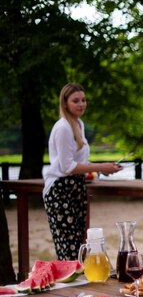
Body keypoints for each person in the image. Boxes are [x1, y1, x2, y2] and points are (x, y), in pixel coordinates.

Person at [43, 83, 122, 260]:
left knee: (79, 246)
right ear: (65, 104)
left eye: (84, 100)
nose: (81, 104)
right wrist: (101, 166)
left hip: (75, 188)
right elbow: (67, 167)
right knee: (68, 248)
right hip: (60, 191)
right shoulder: (63, 127)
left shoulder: (78, 124)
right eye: (76, 101)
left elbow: (80, 163)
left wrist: (106, 168)